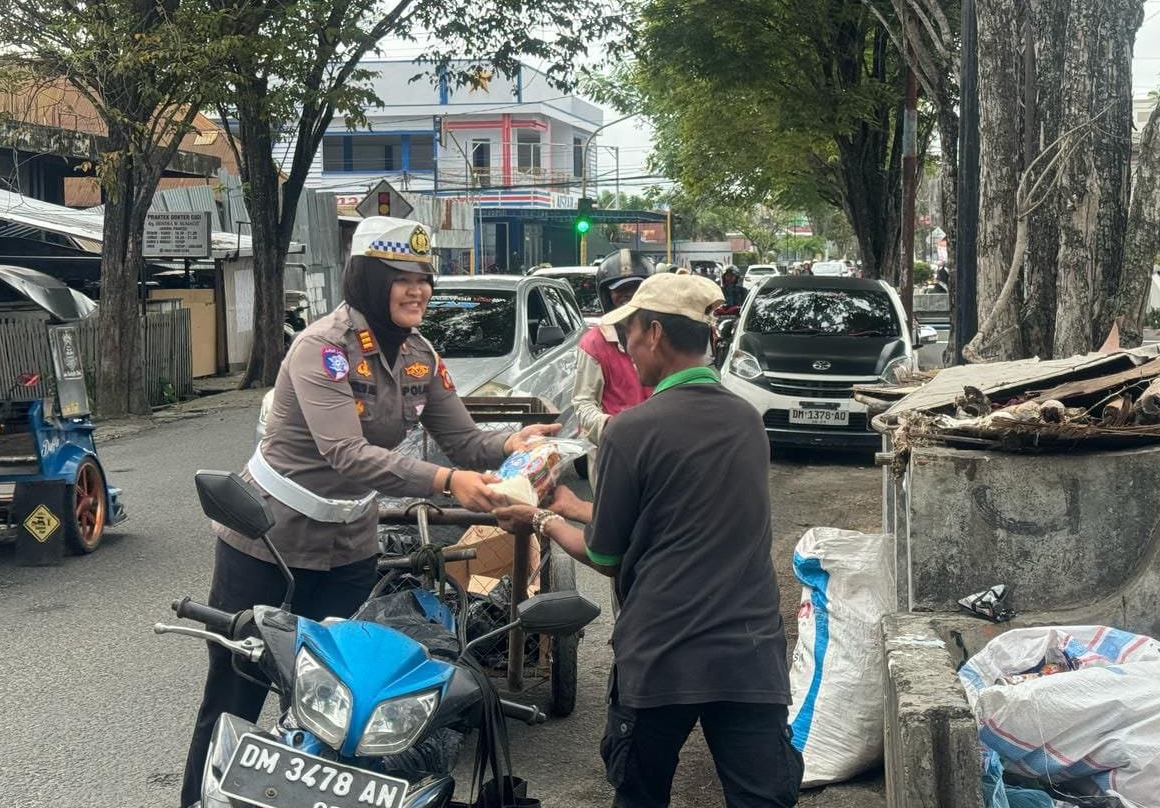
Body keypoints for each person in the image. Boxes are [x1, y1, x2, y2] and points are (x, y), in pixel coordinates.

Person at [180, 217, 555, 807]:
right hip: (266, 543)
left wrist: (511, 445)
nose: (418, 291)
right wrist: (448, 480)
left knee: (337, 701)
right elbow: (346, 454)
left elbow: (464, 442)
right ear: (367, 279)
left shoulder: (421, 357)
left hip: (349, 547)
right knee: (235, 693)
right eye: (401, 277)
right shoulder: (321, 348)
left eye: (426, 279)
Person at [494, 273, 803, 808]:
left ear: (654, 333)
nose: (628, 349)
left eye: (630, 335)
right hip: (748, 655)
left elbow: (606, 556)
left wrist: (542, 520)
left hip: (663, 654)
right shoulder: (747, 423)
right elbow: (682, 520)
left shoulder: (629, 432)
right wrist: (574, 506)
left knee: (640, 795)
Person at [571, 250, 655, 495]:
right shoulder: (594, 343)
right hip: (614, 451)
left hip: (657, 445)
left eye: (634, 288)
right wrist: (610, 426)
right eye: (619, 289)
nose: (627, 296)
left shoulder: (661, 335)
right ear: (607, 294)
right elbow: (583, 402)